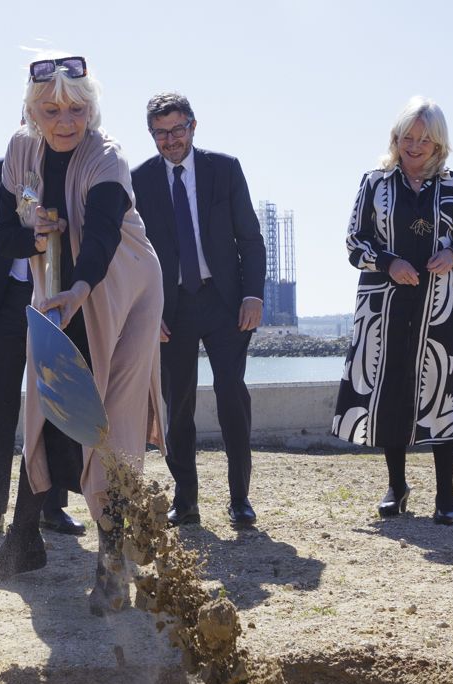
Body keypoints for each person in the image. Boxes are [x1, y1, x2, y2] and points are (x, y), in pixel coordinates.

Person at [0, 55, 165, 617]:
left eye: (75, 108)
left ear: (90, 108)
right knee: (46, 408)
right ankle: (24, 542)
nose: (64, 120)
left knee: (110, 421)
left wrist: (80, 285)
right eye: (51, 109)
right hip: (56, 293)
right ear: (32, 112)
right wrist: (33, 239)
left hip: (121, 292)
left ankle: (113, 564)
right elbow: (2, 234)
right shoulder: (19, 152)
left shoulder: (107, 156)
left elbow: (102, 234)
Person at [331, 96, 453, 524]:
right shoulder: (375, 183)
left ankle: (445, 496)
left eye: (424, 140)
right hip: (385, 306)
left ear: (439, 146)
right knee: (390, 390)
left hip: (438, 307)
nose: (414, 146)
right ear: (395, 139)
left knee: (442, 389)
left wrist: (452, 254)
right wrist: (388, 263)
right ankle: (396, 486)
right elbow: (354, 243)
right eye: (407, 137)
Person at [131, 92, 267, 529]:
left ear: (193, 125)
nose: (170, 140)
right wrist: (148, 312)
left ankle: (241, 499)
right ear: (151, 134)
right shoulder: (139, 180)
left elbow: (249, 237)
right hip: (172, 310)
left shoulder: (224, 169)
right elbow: (133, 254)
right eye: (160, 133)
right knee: (178, 407)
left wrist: (253, 295)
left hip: (226, 303)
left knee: (232, 396)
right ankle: (185, 501)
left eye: (177, 129)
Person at [0, 157, 85, 542]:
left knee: (53, 406)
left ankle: (52, 506)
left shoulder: (72, 165)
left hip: (55, 301)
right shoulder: (0, 169)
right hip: (5, 302)